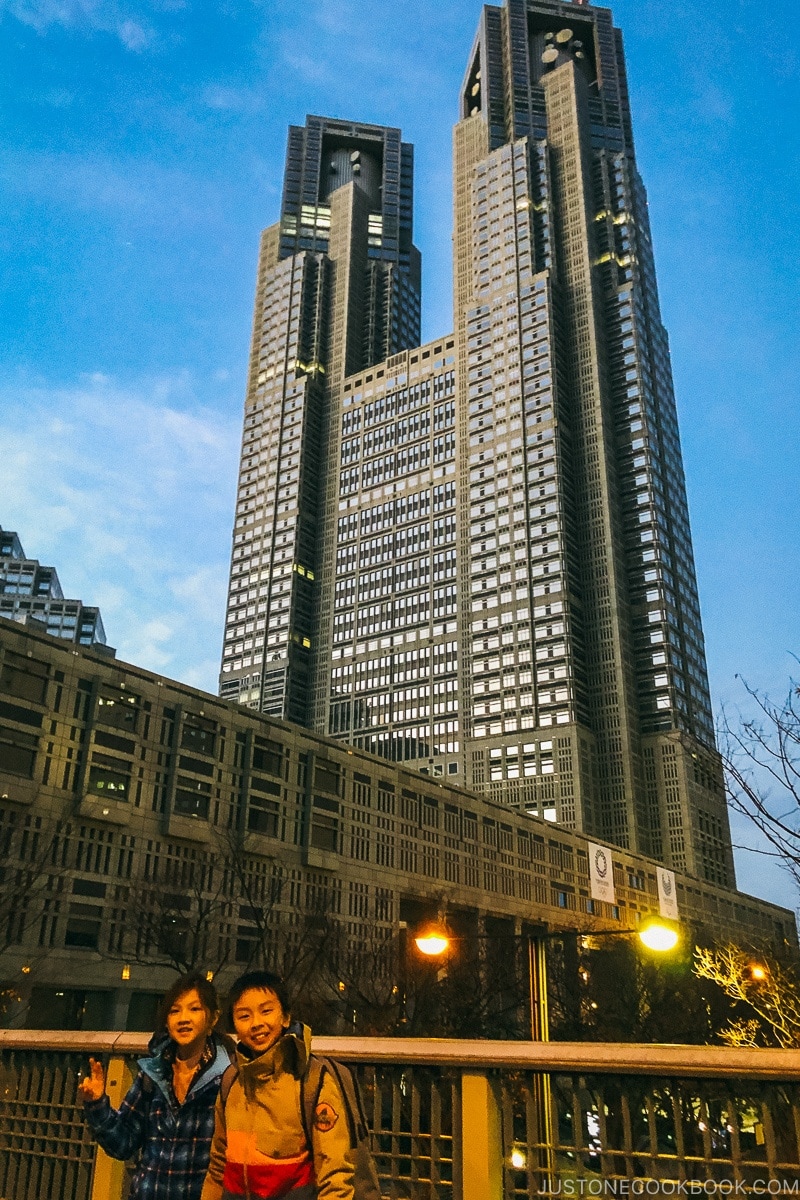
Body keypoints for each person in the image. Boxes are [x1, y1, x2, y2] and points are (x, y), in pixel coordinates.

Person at [201, 970, 356, 1200]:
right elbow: (217, 1168)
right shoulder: (231, 1080)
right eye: (244, 1016)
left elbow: (335, 1178)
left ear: (285, 1018)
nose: (256, 1024)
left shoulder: (311, 1080)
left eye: (266, 1011)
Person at [80, 971, 234, 1200]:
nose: (183, 1018)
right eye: (175, 1010)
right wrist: (97, 1105)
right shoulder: (153, 1074)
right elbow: (123, 1144)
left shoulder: (228, 1078)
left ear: (213, 1018)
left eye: (195, 1009)